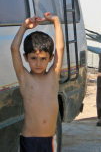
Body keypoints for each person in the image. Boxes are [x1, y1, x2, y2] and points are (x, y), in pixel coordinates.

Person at [11, 12, 64, 151]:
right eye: (33, 58)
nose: (38, 63)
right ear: (26, 57)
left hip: (49, 140)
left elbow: (60, 48)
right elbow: (14, 48)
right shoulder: (24, 78)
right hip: (29, 140)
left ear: (51, 58)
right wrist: (24, 27)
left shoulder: (53, 76)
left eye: (43, 59)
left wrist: (56, 22)